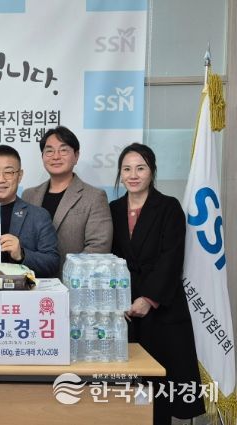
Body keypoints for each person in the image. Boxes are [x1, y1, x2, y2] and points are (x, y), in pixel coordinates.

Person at [110, 143, 204, 424]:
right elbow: (108, 258)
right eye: (127, 169)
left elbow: (171, 258)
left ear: (152, 171)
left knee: (160, 388)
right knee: (127, 389)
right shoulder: (112, 209)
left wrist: (148, 299)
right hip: (124, 309)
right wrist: (118, 299)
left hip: (161, 308)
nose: (133, 175)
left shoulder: (169, 207)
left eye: (140, 168)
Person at [23, 126, 112, 276]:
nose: (56, 156)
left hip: (72, 283)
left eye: (63, 150)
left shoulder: (95, 197)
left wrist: (67, 277)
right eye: (49, 151)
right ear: (42, 156)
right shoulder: (28, 195)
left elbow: (98, 248)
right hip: (32, 283)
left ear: (76, 156)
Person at [0, 145, 59, 278]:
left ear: (19, 176)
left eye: (8, 172)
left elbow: (53, 263)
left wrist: (22, 254)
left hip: (22, 290)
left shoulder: (39, 216)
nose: (0, 179)